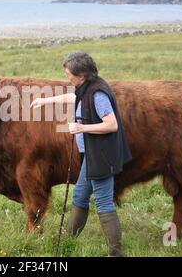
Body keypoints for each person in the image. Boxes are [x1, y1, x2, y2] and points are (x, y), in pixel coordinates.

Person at [31, 51, 131, 257]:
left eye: (69, 73)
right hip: (92, 156)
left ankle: (116, 253)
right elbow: (72, 96)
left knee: (103, 202)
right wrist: (45, 102)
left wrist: (81, 128)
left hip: (102, 156)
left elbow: (111, 125)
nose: (67, 76)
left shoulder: (98, 95)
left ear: (82, 74)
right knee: (80, 195)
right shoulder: (86, 88)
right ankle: (68, 242)